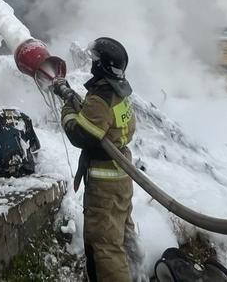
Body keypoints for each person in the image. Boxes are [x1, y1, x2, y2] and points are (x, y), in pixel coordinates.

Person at [57, 37, 138, 282]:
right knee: (122, 233)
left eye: (94, 60)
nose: (91, 63)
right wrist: (72, 96)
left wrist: (67, 109)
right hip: (120, 176)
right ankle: (137, 270)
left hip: (104, 183)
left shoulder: (101, 97)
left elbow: (80, 133)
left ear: (102, 66)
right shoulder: (118, 91)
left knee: (105, 244)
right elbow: (99, 120)